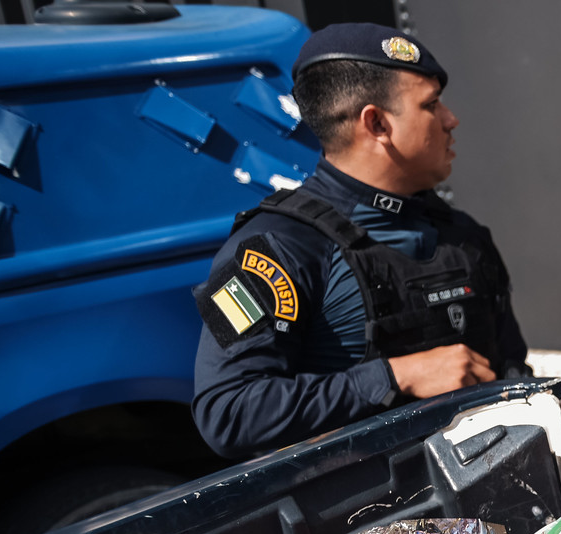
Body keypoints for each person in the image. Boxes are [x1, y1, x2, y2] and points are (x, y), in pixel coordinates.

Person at [191, 24, 525, 459]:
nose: (450, 119)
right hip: (362, 519)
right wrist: (394, 376)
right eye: (431, 105)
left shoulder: (464, 236)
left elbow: (514, 374)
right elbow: (228, 412)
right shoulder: (274, 247)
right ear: (377, 123)